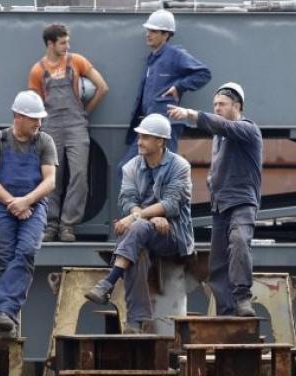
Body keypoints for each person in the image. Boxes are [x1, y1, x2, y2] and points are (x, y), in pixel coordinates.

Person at [85, 114, 193, 333]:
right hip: (142, 232)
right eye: (139, 136)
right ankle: (136, 323)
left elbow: (171, 204)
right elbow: (127, 200)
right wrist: (145, 217)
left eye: (145, 137)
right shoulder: (131, 167)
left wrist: (136, 217)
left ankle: (109, 282)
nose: (139, 141)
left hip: (172, 233)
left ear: (160, 141)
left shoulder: (179, 166)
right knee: (138, 246)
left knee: (136, 228)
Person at [168, 82, 262, 316]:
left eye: (222, 104)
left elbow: (224, 126)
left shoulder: (248, 129)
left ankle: (242, 298)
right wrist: (212, 180)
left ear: (237, 106)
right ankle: (226, 312)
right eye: (214, 105)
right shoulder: (219, 138)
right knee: (217, 262)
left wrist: (191, 115)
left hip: (242, 202)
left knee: (240, 241)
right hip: (220, 204)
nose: (217, 108)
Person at [0, 91, 58, 337]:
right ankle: (8, 323)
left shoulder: (44, 141)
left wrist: (26, 201)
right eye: (34, 118)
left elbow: (50, 181)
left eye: (40, 118)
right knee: (1, 258)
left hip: (34, 205)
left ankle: (4, 312)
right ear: (18, 116)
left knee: (26, 251)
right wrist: (12, 202)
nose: (39, 123)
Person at [28, 23, 108, 242]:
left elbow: (102, 87)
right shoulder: (37, 71)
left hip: (76, 126)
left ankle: (68, 226)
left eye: (67, 42)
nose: (67, 46)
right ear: (50, 44)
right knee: (52, 176)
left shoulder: (77, 61)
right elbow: (35, 105)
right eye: (63, 43)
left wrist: (84, 113)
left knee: (79, 176)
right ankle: (50, 224)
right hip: (50, 127)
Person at [120, 9, 211, 168]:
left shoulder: (175, 54)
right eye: (148, 30)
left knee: (161, 170)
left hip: (166, 125)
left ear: (166, 34)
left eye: (154, 31)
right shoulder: (152, 59)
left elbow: (203, 73)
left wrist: (179, 86)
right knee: (128, 169)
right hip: (149, 125)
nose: (148, 34)